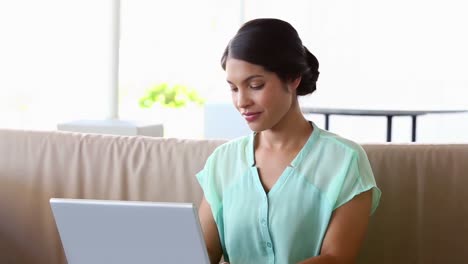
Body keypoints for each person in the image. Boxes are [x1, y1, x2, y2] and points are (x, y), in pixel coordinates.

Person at [196, 18, 381, 264]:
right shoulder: (223, 161)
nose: (242, 101)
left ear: (293, 79)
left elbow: (337, 258)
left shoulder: (344, 161)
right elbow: (202, 253)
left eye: (255, 85)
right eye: (233, 88)